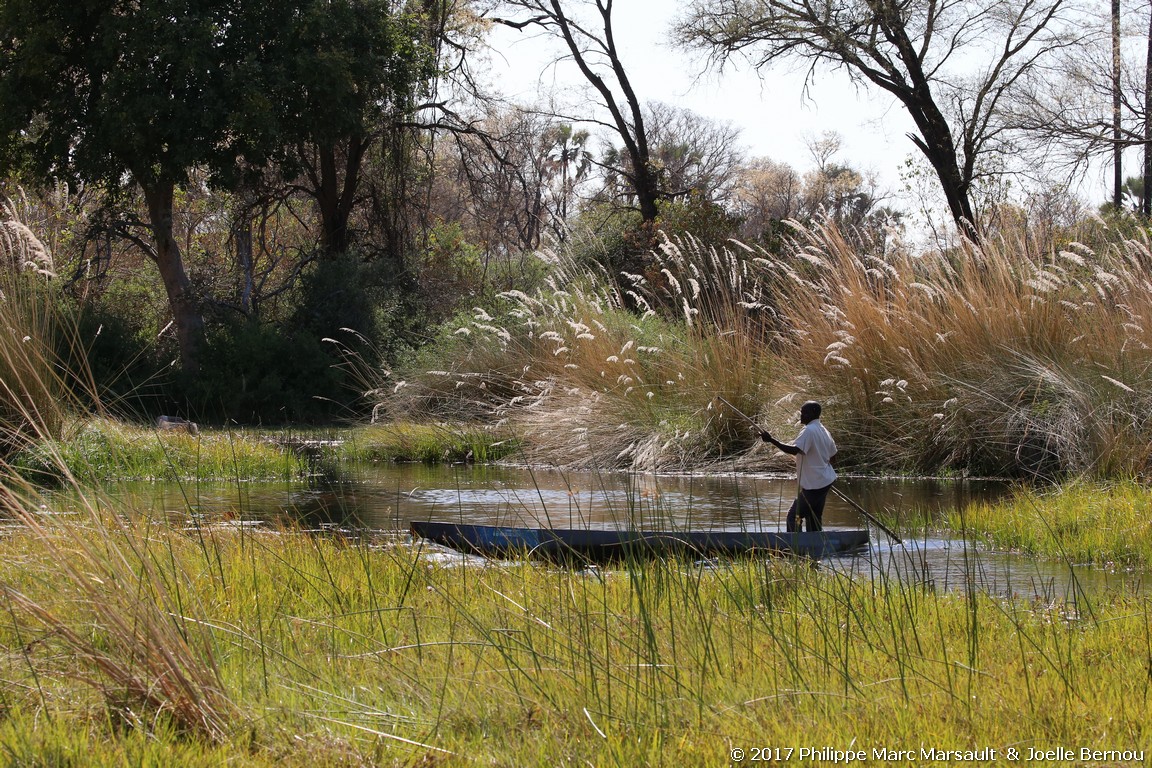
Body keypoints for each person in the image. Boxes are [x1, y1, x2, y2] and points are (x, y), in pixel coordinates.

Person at [761, 401, 837, 532]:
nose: (801, 415)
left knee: (794, 516)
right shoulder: (824, 430)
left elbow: (795, 450)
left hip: (815, 485)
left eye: (804, 413)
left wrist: (771, 440)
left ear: (813, 413)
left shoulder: (809, 430)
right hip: (824, 481)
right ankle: (815, 546)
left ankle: (796, 547)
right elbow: (833, 457)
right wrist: (821, 468)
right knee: (813, 516)